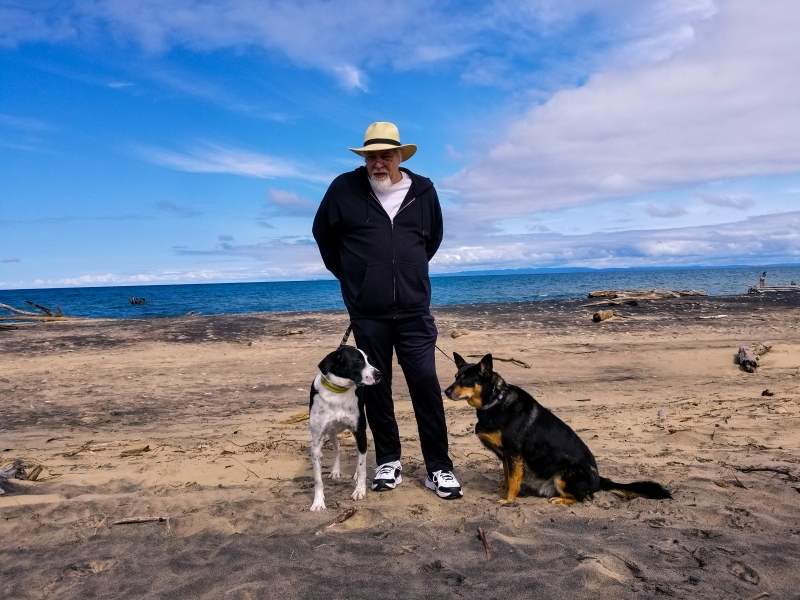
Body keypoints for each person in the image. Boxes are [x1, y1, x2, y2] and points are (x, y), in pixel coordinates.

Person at [312, 122, 462, 499]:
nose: (378, 162)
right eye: (371, 156)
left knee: (425, 385)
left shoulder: (424, 190)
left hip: (414, 312)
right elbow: (323, 235)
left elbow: (432, 239)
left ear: (400, 156)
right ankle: (388, 461)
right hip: (368, 313)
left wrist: (407, 274)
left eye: (386, 155)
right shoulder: (343, 189)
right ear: (364, 158)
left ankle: (439, 469)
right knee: (375, 388)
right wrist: (354, 279)